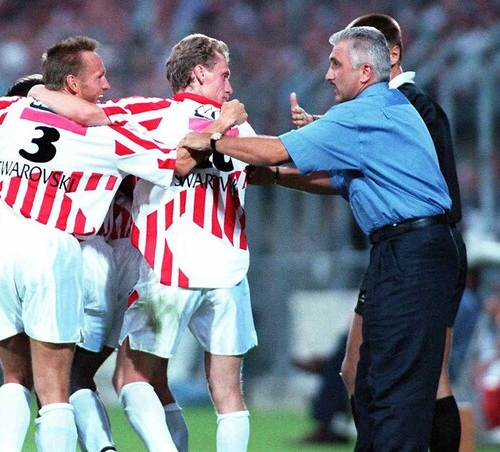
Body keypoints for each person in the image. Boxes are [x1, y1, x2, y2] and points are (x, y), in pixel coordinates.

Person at [179, 26, 459, 451]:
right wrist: (273, 177)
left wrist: (216, 136)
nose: (327, 75)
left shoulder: (362, 113)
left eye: (336, 64)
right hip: (409, 252)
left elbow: (275, 149)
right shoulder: (386, 108)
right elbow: (335, 179)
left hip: (412, 254)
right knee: (373, 379)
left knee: (394, 387)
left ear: (365, 72)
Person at [0, 36, 200, 451]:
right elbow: (177, 163)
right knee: (54, 389)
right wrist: (219, 128)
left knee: (14, 375)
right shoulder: (107, 136)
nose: (106, 86)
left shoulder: (12, 110)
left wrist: (33, 91)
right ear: (71, 84)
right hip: (53, 247)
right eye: (99, 77)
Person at [31, 33, 258, 451]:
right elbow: (265, 171)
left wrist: (36, 89)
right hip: (230, 274)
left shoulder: (149, 113)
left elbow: (82, 112)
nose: (229, 86)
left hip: (169, 272)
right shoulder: (243, 127)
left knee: (130, 379)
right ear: (200, 73)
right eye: (224, 75)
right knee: (228, 395)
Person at [290, 14, 468, 450]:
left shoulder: (408, 105)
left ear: (389, 56)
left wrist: (319, 133)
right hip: (398, 248)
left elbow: (393, 164)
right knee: (355, 368)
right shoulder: (383, 110)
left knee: (430, 378)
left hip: (424, 246)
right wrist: (321, 131)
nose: (333, 73)